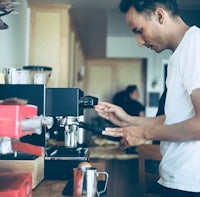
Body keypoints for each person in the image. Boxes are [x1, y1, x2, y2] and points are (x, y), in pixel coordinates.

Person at [94, 0, 200, 196]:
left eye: (139, 30)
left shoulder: (195, 45)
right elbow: (175, 119)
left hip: (191, 184)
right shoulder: (179, 54)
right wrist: (129, 120)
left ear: (160, 16)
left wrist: (144, 133)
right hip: (177, 179)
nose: (139, 42)